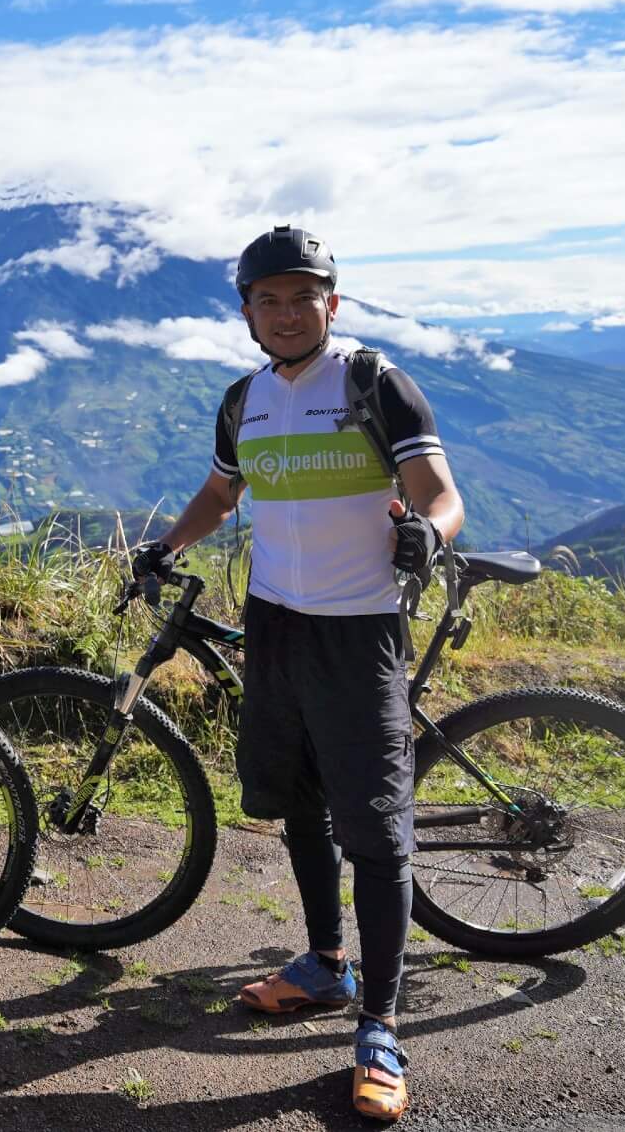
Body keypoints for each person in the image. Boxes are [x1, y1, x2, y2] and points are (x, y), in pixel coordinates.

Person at [131, 226, 463, 1124]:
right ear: (246, 313)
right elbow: (221, 493)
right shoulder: (243, 401)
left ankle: (382, 1025)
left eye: (301, 296)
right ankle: (324, 962)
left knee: (378, 832)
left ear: (333, 303)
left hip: (360, 632)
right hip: (274, 624)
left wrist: (426, 533)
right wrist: (167, 545)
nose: (285, 313)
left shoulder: (372, 383)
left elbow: (441, 493)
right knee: (298, 801)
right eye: (267, 300)